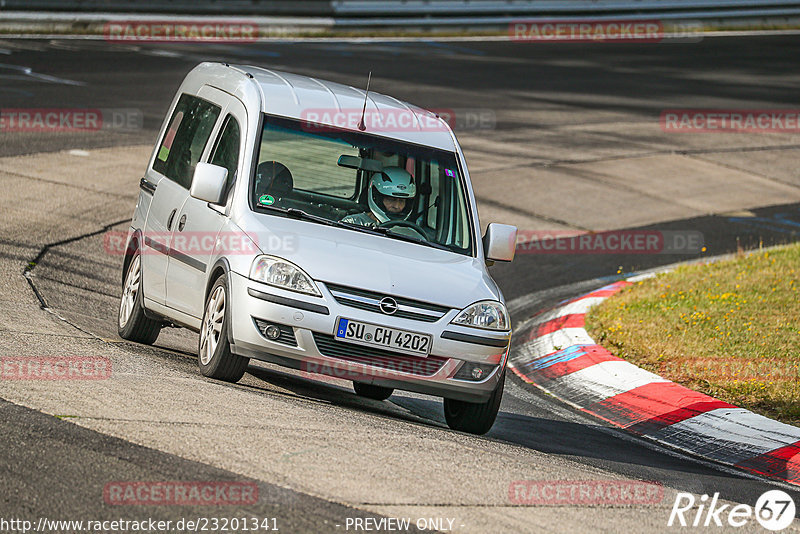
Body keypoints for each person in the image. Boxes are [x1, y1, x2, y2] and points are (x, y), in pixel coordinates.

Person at [342, 166, 416, 227]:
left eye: (402, 201)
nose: (396, 206)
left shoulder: (409, 232)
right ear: (376, 198)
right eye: (391, 199)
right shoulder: (352, 223)